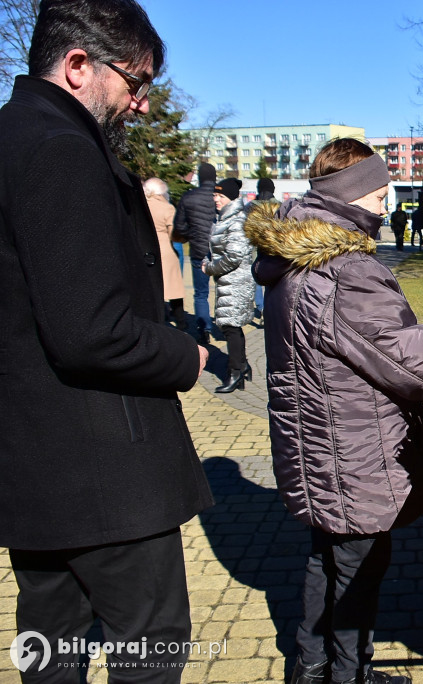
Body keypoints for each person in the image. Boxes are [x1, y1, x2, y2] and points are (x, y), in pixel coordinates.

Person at [0, 0, 212, 678]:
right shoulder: (60, 150)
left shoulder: (14, 136)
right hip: (103, 476)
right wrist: (188, 355)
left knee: (50, 648)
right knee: (150, 649)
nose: (143, 104)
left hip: (36, 468)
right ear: (77, 65)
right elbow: (91, 333)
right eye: (136, 82)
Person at [248, 138, 423, 684]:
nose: (383, 209)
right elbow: (411, 361)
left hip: (318, 448)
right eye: (378, 198)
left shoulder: (293, 258)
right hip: (353, 455)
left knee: (326, 559)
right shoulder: (344, 268)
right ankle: (349, 675)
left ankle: (311, 667)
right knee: (357, 570)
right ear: (353, 197)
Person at [203, 177, 255, 393]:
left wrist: (210, 268)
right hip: (228, 281)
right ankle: (241, 367)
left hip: (236, 281)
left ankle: (236, 372)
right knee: (230, 326)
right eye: (215, 195)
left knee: (230, 327)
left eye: (220, 195)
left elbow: (234, 256)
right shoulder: (225, 218)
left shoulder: (235, 221)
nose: (216, 199)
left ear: (230, 198)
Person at [174, 161, 218, 343]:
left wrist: (189, 236)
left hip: (198, 250)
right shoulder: (220, 197)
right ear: (214, 178)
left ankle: (204, 328)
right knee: (223, 290)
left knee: (201, 293)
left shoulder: (188, 197)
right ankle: (225, 326)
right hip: (220, 251)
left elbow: (179, 226)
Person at [145, 177, 188, 330]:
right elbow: (174, 234)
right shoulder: (167, 208)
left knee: (152, 290)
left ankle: (156, 321)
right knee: (174, 289)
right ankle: (181, 322)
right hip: (166, 251)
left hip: (145, 252)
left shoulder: (141, 205)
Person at [250, 177, 276, 319]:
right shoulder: (279, 206)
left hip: (255, 247)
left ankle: (261, 307)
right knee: (271, 280)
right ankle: (269, 308)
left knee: (257, 279)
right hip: (273, 248)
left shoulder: (251, 206)